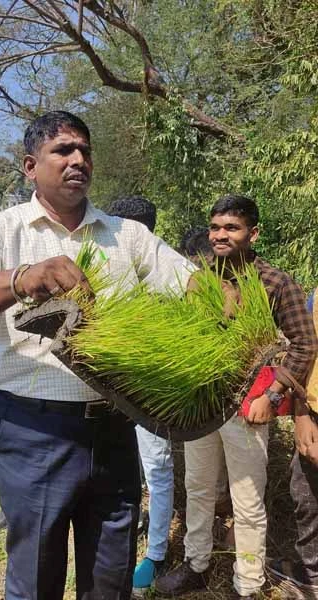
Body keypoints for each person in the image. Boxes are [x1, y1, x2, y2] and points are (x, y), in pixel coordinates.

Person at [0, 110, 196, 600]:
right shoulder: (0, 229)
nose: (78, 160)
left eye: (85, 151)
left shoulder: (126, 235)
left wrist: (225, 297)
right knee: (35, 579)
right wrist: (19, 278)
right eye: (63, 150)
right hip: (34, 433)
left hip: (115, 431)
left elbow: (188, 283)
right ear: (30, 166)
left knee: (110, 581)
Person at [155, 194, 318, 599]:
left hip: (248, 407)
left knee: (247, 499)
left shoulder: (276, 283)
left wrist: (274, 393)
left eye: (231, 227)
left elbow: (304, 344)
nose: (220, 235)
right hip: (202, 402)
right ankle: (196, 563)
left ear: (253, 233)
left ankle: (247, 583)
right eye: (215, 227)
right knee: (198, 487)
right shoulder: (200, 279)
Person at [106, 196, 174, 598]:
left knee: (158, 468)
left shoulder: (165, 271)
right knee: (130, 469)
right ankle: (140, 520)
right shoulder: (111, 269)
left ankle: (157, 554)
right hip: (113, 393)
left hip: (152, 394)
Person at [267, 289, 318, 598]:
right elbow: (306, 351)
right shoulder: (316, 296)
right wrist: (301, 414)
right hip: (313, 414)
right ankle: (311, 572)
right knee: (305, 495)